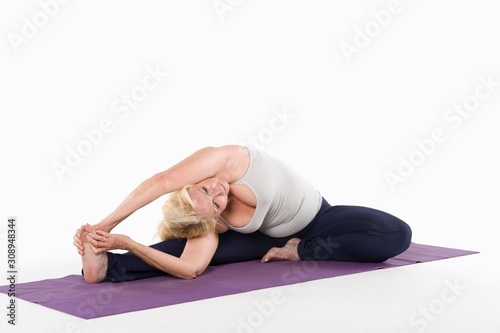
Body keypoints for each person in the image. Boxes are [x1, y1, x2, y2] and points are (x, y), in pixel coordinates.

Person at [73, 145, 412, 283]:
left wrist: (103, 224)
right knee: (187, 251)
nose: (218, 191)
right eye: (215, 203)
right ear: (214, 217)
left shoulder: (225, 161)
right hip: (265, 238)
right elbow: (191, 269)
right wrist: (123, 242)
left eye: (206, 189)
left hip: (316, 219)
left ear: (190, 184)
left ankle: (301, 250)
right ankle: (108, 265)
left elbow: (160, 181)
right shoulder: (209, 221)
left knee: (396, 235)